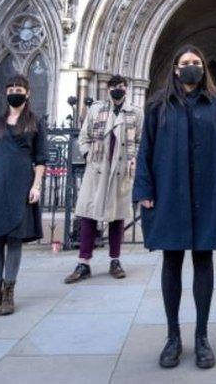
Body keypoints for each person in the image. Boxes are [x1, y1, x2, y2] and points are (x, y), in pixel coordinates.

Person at [133, 44, 216, 370]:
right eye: (185, 63)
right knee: (172, 262)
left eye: (196, 62)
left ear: (203, 68)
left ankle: (202, 337)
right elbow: (146, 150)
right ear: (176, 68)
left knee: (204, 261)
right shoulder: (158, 106)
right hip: (169, 192)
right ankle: (173, 337)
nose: (191, 66)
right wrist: (144, 190)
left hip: (208, 193)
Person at [0, 75, 48, 317]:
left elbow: (41, 159)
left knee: (14, 239)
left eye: (19, 89)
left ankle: (9, 292)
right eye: (11, 88)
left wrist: (36, 186)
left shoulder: (35, 123)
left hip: (21, 184)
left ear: (27, 93)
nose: (14, 92)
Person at [65, 75, 141, 284]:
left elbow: (141, 140)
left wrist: (134, 159)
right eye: (115, 86)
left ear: (127, 89)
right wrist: (89, 156)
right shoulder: (96, 110)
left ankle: (115, 260)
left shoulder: (135, 112)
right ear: (108, 89)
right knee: (88, 215)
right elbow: (84, 137)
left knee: (117, 217)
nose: (119, 90)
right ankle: (84, 263)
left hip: (120, 169)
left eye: (122, 87)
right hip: (98, 169)